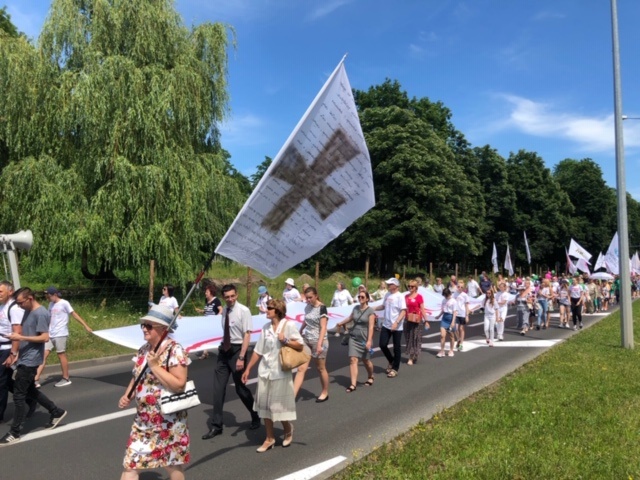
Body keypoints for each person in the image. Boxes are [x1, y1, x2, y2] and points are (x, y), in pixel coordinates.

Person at [117, 305, 190, 479]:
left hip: (168, 422)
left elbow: (179, 385)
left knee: (173, 467)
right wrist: (128, 395)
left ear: (163, 329)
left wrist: (155, 366)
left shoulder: (175, 349)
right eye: (143, 325)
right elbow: (136, 376)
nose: (144, 328)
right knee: (130, 465)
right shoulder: (144, 350)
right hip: (143, 421)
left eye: (149, 325)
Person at [0, 287, 67, 446]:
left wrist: (20, 336)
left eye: (21, 302)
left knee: (19, 395)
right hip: (23, 357)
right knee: (30, 390)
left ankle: (15, 432)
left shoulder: (41, 313)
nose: (19, 306)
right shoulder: (27, 311)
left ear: (30, 298)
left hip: (31, 360)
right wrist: (14, 353)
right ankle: (56, 411)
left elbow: (44, 337)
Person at [241, 299, 302, 452]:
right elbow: (258, 351)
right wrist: (248, 369)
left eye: (269, 308)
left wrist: (286, 340)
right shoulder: (265, 328)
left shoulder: (288, 326)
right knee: (265, 407)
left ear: (278, 310)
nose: (266, 310)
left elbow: (300, 345)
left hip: (280, 372)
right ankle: (269, 438)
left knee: (277, 408)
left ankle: (288, 429)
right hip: (265, 372)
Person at [203, 284, 260, 440]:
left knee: (240, 389)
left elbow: (247, 335)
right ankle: (216, 426)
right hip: (224, 351)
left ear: (237, 295)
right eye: (227, 297)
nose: (230, 299)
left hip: (237, 351)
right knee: (218, 389)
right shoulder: (225, 311)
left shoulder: (244, 311)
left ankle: (255, 415)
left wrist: (241, 357)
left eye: (232, 296)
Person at [32, 286, 92, 388]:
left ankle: (66, 378)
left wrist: (86, 326)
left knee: (61, 355)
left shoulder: (64, 303)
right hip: (50, 333)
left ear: (55, 295)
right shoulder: (51, 304)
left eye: (49, 296)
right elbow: (49, 318)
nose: (48, 298)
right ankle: (35, 379)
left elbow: (74, 314)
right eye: (46, 296)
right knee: (43, 355)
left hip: (60, 333)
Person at [293, 287, 329, 401]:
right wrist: (300, 330)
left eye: (310, 297)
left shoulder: (322, 308)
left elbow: (323, 327)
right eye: (306, 298)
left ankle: (325, 391)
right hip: (307, 340)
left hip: (319, 340)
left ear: (316, 295)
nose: (308, 300)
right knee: (301, 368)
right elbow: (306, 320)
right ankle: (292, 395)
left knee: (320, 368)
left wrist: (319, 344)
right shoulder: (307, 306)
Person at [336, 290, 376, 391]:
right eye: (359, 297)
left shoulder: (370, 311)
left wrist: (369, 341)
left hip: (364, 338)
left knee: (366, 360)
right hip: (354, 337)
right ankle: (353, 384)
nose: (360, 299)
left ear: (367, 299)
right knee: (353, 359)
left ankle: (371, 376)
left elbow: (371, 327)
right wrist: (340, 323)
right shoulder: (355, 308)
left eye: (362, 297)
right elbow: (350, 318)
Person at [0, 281, 24, 423]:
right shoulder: (2, 306)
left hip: (8, 348)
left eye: (0, 291)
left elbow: (17, 332)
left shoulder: (14, 308)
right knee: (6, 380)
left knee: (1, 381)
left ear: (10, 292)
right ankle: (29, 396)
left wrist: (13, 354)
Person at [374, 278, 406, 378]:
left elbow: (403, 311)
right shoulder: (387, 294)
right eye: (388, 284)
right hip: (386, 324)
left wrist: (396, 322)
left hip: (397, 326)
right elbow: (383, 306)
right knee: (382, 344)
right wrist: (373, 308)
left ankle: (395, 369)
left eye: (390, 284)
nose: (388, 285)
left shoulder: (400, 296)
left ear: (395, 285)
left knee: (397, 348)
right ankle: (391, 361)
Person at [194, 283, 222, 360]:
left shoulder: (216, 300)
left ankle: (222, 351)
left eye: (207, 292)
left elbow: (221, 310)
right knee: (205, 336)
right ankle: (205, 352)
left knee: (215, 338)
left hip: (213, 323)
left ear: (211, 292)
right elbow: (207, 311)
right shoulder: (207, 301)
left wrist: (216, 319)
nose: (205, 293)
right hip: (206, 323)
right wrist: (201, 311)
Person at [404, 280, 428, 365]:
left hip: (417, 320)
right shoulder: (406, 297)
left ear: (416, 288)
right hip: (408, 320)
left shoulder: (419, 297)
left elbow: (422, 309)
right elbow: (403, 308)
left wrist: (426, 320)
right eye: (409, 286)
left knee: (416, 338)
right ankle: (411, 354)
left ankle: (413, 355)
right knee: (408, 337)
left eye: (412, 286)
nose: (410, 287)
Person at [435, 288, 457, 357]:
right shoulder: (443, 300)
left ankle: (451, 350)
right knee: (442, 335)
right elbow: (443, 310)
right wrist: (439, 316)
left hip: (451, 318)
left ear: (449, 294)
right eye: (444, 295)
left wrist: (453, 322)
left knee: (451, 336)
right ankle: (442, 351)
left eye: (446, 295)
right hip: (444, 318)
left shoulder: (453, 301)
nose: (445, 297)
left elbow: (454, 312)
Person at [454, 280, 470, 351]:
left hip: (462, 313)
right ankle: (458, 339)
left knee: (461, 329)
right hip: (455, 313)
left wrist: (467, 315)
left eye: (461, 287)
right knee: (454, 328)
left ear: (463, 288)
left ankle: (461, 344)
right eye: (458, 286)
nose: (459, 288)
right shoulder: (454, 294)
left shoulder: (465, 295)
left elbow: (467, 306)